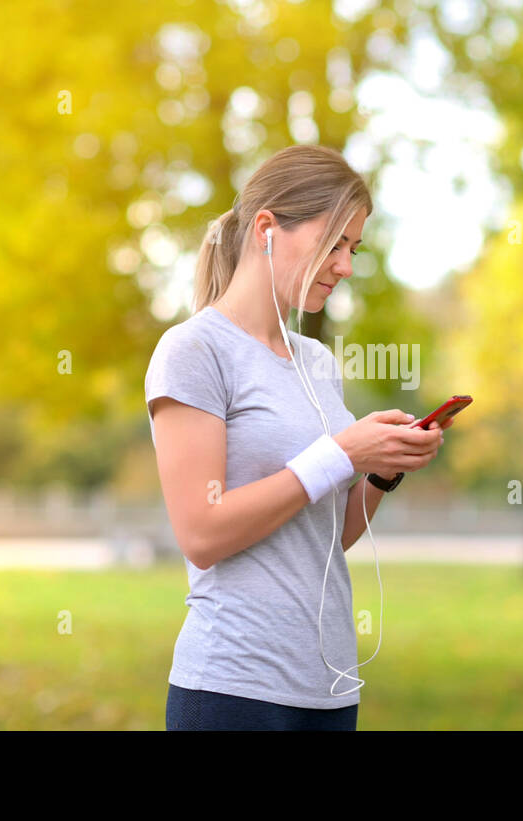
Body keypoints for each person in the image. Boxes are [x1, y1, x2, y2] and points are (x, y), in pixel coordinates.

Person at [145, 144, 453, 731]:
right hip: (233, 690)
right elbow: (202, 534)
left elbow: (327, 535)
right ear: (266, 228)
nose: (347, 266)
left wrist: (384, 468)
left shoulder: (316, 362)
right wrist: (342, 451)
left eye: (354, 248)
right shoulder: (194, 351)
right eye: (334, 243)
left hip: (329, 690)